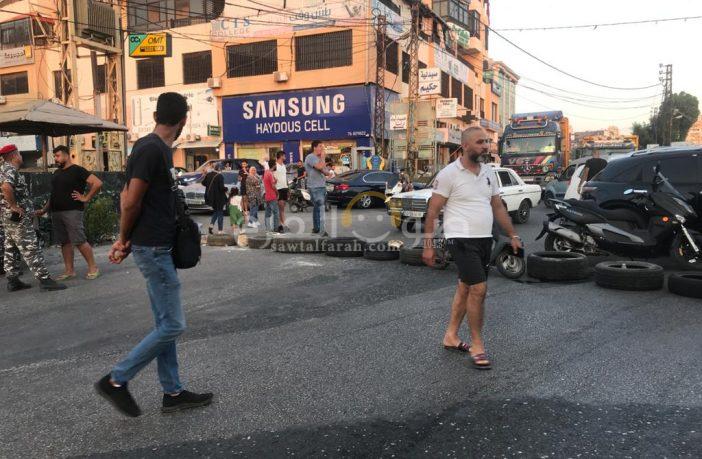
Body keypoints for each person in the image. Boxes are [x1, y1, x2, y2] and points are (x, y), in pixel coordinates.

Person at [97, 92, 212, 417]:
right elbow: (130, 200)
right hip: (155, 248)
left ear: (156, 115)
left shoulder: (153, 148)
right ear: (183, 120)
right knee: (173, 325)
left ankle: (172, 392)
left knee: (165, 323)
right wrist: (124, 238)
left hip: (153, 245)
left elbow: (132, 199)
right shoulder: (151, 149)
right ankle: (116, 379)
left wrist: (126, 240)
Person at [422, 126, 522, 371]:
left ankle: (451, 336)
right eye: (479, 142)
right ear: (465, 145)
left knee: (465, 287)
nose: (485, 146)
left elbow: (497, 206)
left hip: (483, 239)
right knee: (479, 289)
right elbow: (433, 211)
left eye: (486, 142)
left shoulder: (488, 172)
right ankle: (478, 346)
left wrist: (512, 234)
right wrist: (428, 245)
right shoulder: (449, 174)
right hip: (460, 239)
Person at [0, 145, 66, 292]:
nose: (21, 156)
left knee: (11, 247)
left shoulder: (3, 169)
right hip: (17, 217)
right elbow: (6, 187)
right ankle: (45, 279)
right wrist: (13, 206)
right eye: (19, 154)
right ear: (14, 156)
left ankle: (13, 280)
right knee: (31, 247)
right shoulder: (10, 170)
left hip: (9, 217)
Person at [34, 145, 102, 280]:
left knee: (79, 240)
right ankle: (69, 271)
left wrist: (86, 197)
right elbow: (54, 194)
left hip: (72, 211)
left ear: (66, 155)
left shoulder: (77, 170)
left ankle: (93, 268)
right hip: (56, 212)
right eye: (55, 156)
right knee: (65, 242)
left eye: (58, 156)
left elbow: (97, 183)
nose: (56, 159)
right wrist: (44, 210)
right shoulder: (56, 173)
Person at [304, 140, 333, 236]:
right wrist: (323, 158)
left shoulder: (318, 158)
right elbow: (320, 167)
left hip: (321, 185)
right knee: (321, 208)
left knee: (317, 208)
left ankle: (316, 228)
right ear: (314, 147)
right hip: (315, 187)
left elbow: (324, 171)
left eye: (322, 146)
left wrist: (328, 173)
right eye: (320, 146)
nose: (322, 148)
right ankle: (322, 230)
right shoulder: (310, 157)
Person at [205, 164, 227, 235]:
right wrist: (226, 189)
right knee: (220, 213)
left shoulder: (208, 175)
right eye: (221, 169)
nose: (222, 170)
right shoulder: (220, 176)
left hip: (211, 198)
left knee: (216, 212)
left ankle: (211, 227)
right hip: (219, 198)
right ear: (219, 169)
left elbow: (203, 183)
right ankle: (220, 230)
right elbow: (221, 188)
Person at [263, 159, 280, 232]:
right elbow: (273, 186)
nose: (276, 166)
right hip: (272, 195)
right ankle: (276, 228)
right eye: (275, 164)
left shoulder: (266, 172)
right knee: (276, 213)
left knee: (267, 213)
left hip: (267, 195)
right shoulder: (270, 174)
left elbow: (269, 183)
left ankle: (267, 228)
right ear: (274, 165)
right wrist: (277, 193)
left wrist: (274, 181)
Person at [274, 151, 288, 232]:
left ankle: (283, 223)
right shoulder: (275, 165)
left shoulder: (284, 165)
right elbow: (270, 174)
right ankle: (280, 225)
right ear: (281, 156)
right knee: (280, 207)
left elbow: (285, 177)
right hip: (278, 188)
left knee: (283, 208)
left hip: (284, 188)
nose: (285, 157)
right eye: (284, 155)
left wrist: (287, 187)